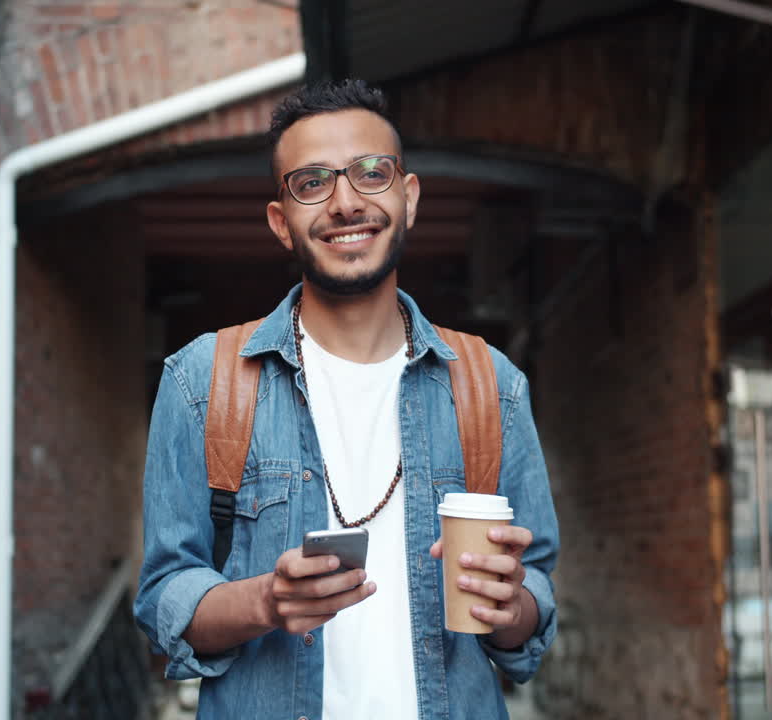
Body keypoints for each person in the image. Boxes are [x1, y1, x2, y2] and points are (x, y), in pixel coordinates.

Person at [134, 79, 559, 720]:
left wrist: (511, 607)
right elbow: (164, 594)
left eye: (370, 172)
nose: (344, 203)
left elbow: (533, 608)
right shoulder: (205, 381)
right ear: (282, 222)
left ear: (408, 198)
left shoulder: (491, 385)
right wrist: (265, 602)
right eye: (312, 182)